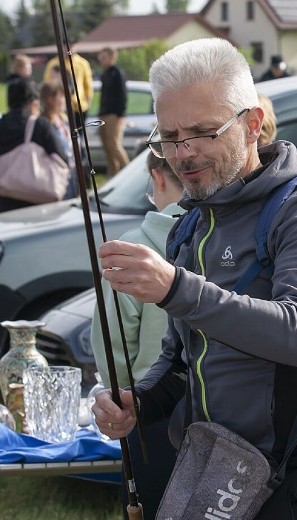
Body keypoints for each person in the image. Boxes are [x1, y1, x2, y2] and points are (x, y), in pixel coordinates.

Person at [91, 38, 297, 519]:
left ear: (253, 124)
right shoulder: (192, 225)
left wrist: (177, 288)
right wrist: (141, 402)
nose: (183, 152)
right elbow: (181, 362)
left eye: (202, 131)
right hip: (214, 478)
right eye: (169, 136)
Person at [91, 151, 184, 519]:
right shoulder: (230, 236)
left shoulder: (131, 248)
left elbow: (113, 352)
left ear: (158, 178)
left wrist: (124, 396)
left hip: (151, 419)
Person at [0, 77, 68, 213]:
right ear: (34, 103)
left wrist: (4, 184)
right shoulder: (40, 126)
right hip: (40, 209)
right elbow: (63, 161)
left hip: (6, 209)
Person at [38, 80, 77, 198]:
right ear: (50, 99)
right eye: (62, 96)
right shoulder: (44, 126)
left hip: (72, 178)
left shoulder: (64, 122)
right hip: (55, 180)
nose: (65, 100)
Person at [97, 46, 131, 175]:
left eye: (104, 57)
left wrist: (120, 114)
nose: (101, 60)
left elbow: (122, 94)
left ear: (112, 57)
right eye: (100, 58)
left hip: (114, 115)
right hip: (104, 114)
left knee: (114, 145)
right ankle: (113, 173)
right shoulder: (105, 74)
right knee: (106, 146)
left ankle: (127, 171)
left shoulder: (117, 73)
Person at [44, 53, 94, 127]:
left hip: (79, 105)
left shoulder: (82, 63)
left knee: (79, 132)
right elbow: (47, 84)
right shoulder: (53, 63)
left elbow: (88, 83)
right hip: (60, 107)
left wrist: (88, 99)